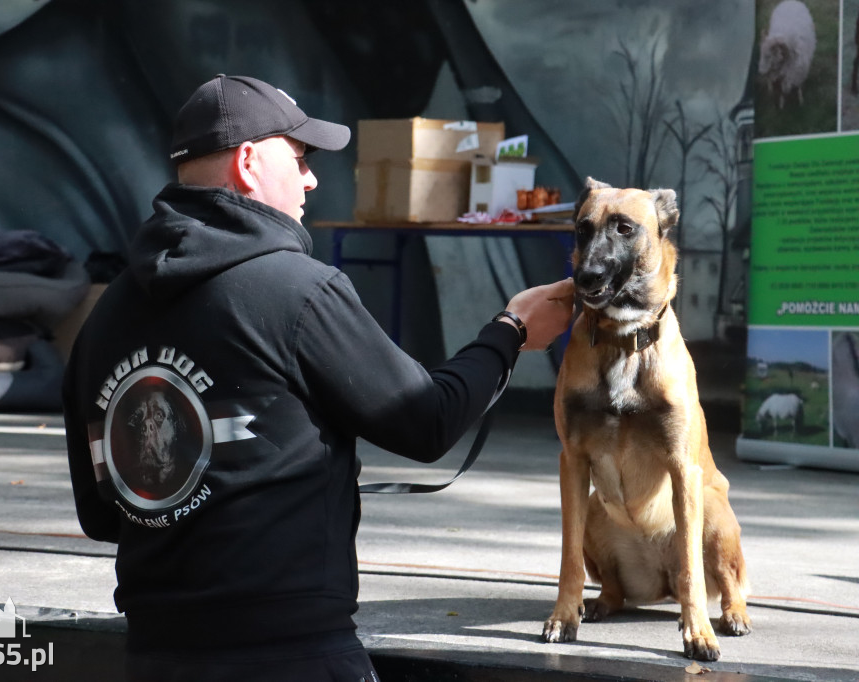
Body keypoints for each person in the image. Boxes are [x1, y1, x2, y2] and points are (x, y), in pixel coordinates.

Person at [63, 74, 575, 682]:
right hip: (293, 651)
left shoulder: (106, 317)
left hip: (154, 654)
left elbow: (103, 514)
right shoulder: (297, 290)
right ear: (249, 162)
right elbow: (427, 420)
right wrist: (510, 330)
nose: (311, 179)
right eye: (300, 158)